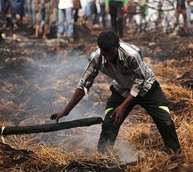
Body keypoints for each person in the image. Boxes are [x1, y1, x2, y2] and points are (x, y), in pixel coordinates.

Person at [50, 31, 181, 154]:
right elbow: (83, 85)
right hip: (122, 90)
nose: (107, 58)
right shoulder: (96, 58)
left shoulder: (131, 55)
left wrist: (123, 107)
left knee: (165, 120)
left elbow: (140, 81)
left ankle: (174, 154)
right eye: (104, 54)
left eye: (111, 54)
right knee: (109, 122)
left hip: (147, 88)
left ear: (117, 46)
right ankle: (104, 157)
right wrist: (66, 111)